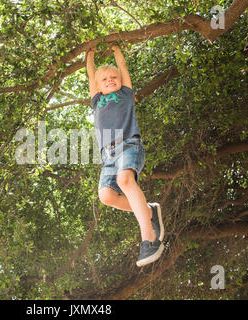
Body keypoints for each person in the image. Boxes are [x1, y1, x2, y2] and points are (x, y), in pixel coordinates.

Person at [86, 44, 164, 267]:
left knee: (125, 180)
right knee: (106, 196)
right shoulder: (96, 100)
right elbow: (91, 75)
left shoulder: (125, 94)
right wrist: (89, 55)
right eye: (105, 79)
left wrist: (116, 49)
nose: (110, 80)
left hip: (129, 145)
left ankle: (149, 239)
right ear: (98, 86)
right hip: (107, 157)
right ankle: (149, 210)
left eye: (113, 77)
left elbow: (123, 67)